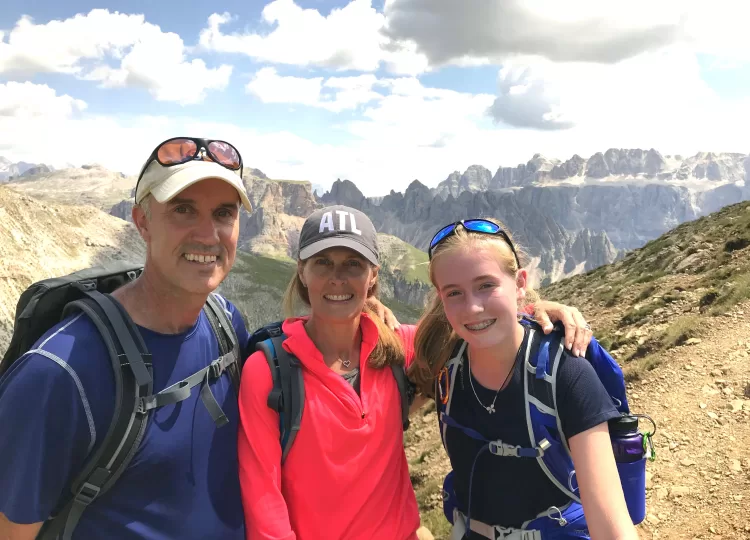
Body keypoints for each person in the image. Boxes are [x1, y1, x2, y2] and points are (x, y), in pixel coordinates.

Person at [236, 207, 594, 540]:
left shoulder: (398, 347)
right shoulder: (269, 369)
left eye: (353, 265)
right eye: (323, 263)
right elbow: (263, 498)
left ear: (373, 276)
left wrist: (533, 308)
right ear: (302, 271)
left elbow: (473, 322)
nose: (337, 279)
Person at [0, 137, 255, 539]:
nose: (208, 235)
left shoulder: (227, 324)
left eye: (224, 213)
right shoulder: (58, 374)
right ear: (142, 222)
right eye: (183, 210)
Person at [410, 218, 638, 540]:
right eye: (454, 293)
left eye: (486, 285)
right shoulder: (445, 358)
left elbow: (612, 527)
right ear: (440, 297)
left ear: (519, 283)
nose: (473, 307)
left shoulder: (567, 373)